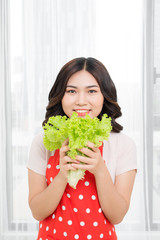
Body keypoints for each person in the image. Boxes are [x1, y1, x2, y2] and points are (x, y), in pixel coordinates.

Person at [27, 57, 137, 240]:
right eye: (71, 91)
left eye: (92, 91)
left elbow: (117, 216)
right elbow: (37, 212)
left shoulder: (123, 145)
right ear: (60, 95)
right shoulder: (43, 143)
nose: (81, 101)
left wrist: (100, 170)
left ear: (104, 96)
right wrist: (63, 174)